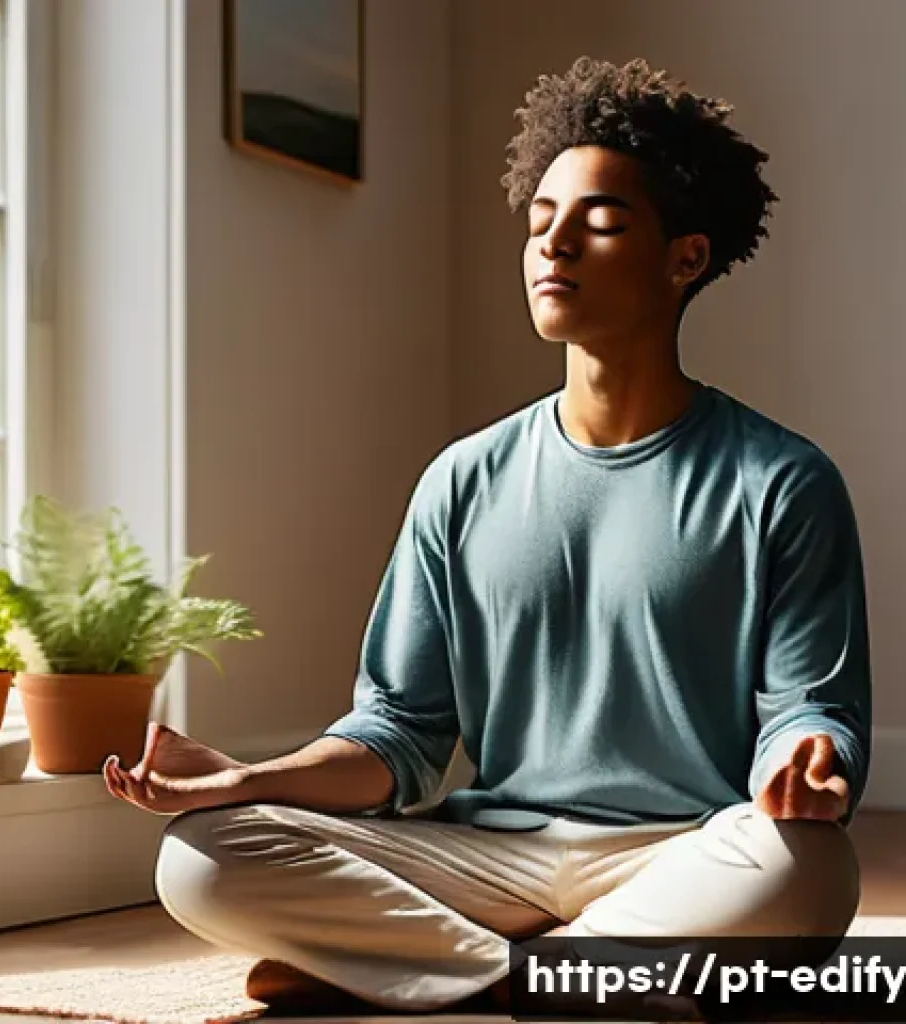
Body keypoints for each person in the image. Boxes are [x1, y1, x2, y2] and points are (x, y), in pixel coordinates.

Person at [104, 56, 870, 1015]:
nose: (555, 246)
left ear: (687, 257)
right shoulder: (463, 480)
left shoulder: (783, 482)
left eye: (599, 222)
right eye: (540, 221)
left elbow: (809, 711)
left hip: (686, 851)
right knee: (202, 857)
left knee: (807, 865)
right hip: (488, 856)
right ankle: (561, 978)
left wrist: (810, 765)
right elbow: (398, 735)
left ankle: (413, 966)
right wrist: (250, 777)